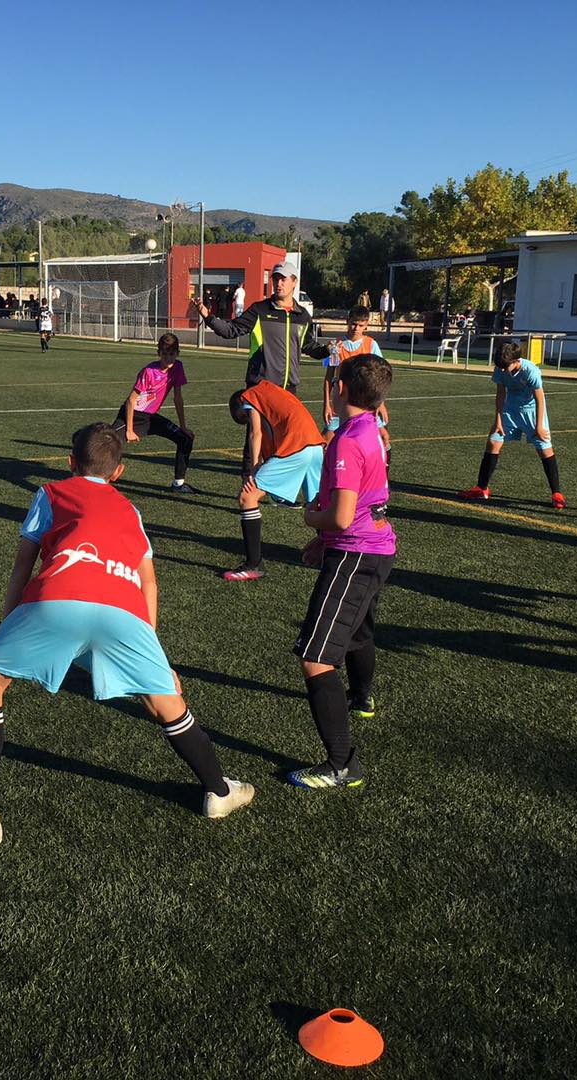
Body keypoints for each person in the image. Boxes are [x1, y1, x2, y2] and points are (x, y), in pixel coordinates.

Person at [0, 423, 254, 849]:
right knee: (164, 702)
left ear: (69, 462)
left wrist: (2, 636)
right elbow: (148, 583)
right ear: (118, 472)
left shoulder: (50, 493)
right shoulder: (130, 510)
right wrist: (154, 654)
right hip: (124, 611)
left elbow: (23, 565)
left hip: (56, 599)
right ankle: (219, 792)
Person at [290, 355, 395, 790]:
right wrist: (325, 539)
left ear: (343, 390)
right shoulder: (372, 429)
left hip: (356, 555)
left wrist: (312, 522)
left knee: (315, 659)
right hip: (375, 549)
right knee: (358, 634)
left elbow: (341, 514)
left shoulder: (348, 439)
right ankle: (362, 697)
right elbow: (368, 498)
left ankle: (340, 764)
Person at [223, 379, 326, 581]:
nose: (248, 420)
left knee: (247, 496)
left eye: (244, 417)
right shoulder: (272, 391)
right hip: (315, 445)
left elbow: (256, 433)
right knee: (317, 503)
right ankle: (330, 552)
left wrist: (252, 470)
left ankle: (254, 564)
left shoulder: (249, 396)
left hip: (297, 444)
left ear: (241, 405)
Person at [458, 340, 565, 509]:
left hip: (532, 411)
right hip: (510, 409)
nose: (501, 370)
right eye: (499, 366)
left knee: (544, 448)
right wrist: (498, 420)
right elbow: (500, 394)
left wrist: (539, 426)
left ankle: (556, 494)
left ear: (516, 361)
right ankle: (481, 488)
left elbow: (539, 398)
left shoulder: (531, 371)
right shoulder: (501, 367)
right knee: (493, 442)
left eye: (504, 367)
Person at [194, 261, 328, 394]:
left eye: (283, 279)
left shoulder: (303, 316)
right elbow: (230, 330)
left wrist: (327, 350)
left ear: (294, 282)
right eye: (275, 279)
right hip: (260, 387)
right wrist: (208, 316)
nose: (278, 284)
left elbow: (309, 346)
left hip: (289, 389)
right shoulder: (259, 310)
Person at [114, 333, 196, 493]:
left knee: (185, 438)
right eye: (165, 354)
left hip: (150, 418)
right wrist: (130, 430)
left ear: (177, 353)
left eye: (172, 354)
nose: (168, 358)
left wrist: (183, 426)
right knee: (108, 443)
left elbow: (178, 399)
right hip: (133, 415)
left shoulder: (178, 367)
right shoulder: (149, 371)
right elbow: (131, 400)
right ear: (159, 353)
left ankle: (178, 484)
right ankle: (100, 481)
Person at [322, 307, 388, 450]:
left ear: (366, 326)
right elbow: (328, 377)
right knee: (326, 442)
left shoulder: (371, 344)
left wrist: (380, 402)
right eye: (353, 324)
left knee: (383, 439)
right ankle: (326, 471)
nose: (356, 328)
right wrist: (326, 404)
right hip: (340, 402)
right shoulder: (336, 345)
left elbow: (380, 376)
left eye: (360, 325)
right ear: (347, 321)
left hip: (366, 402)